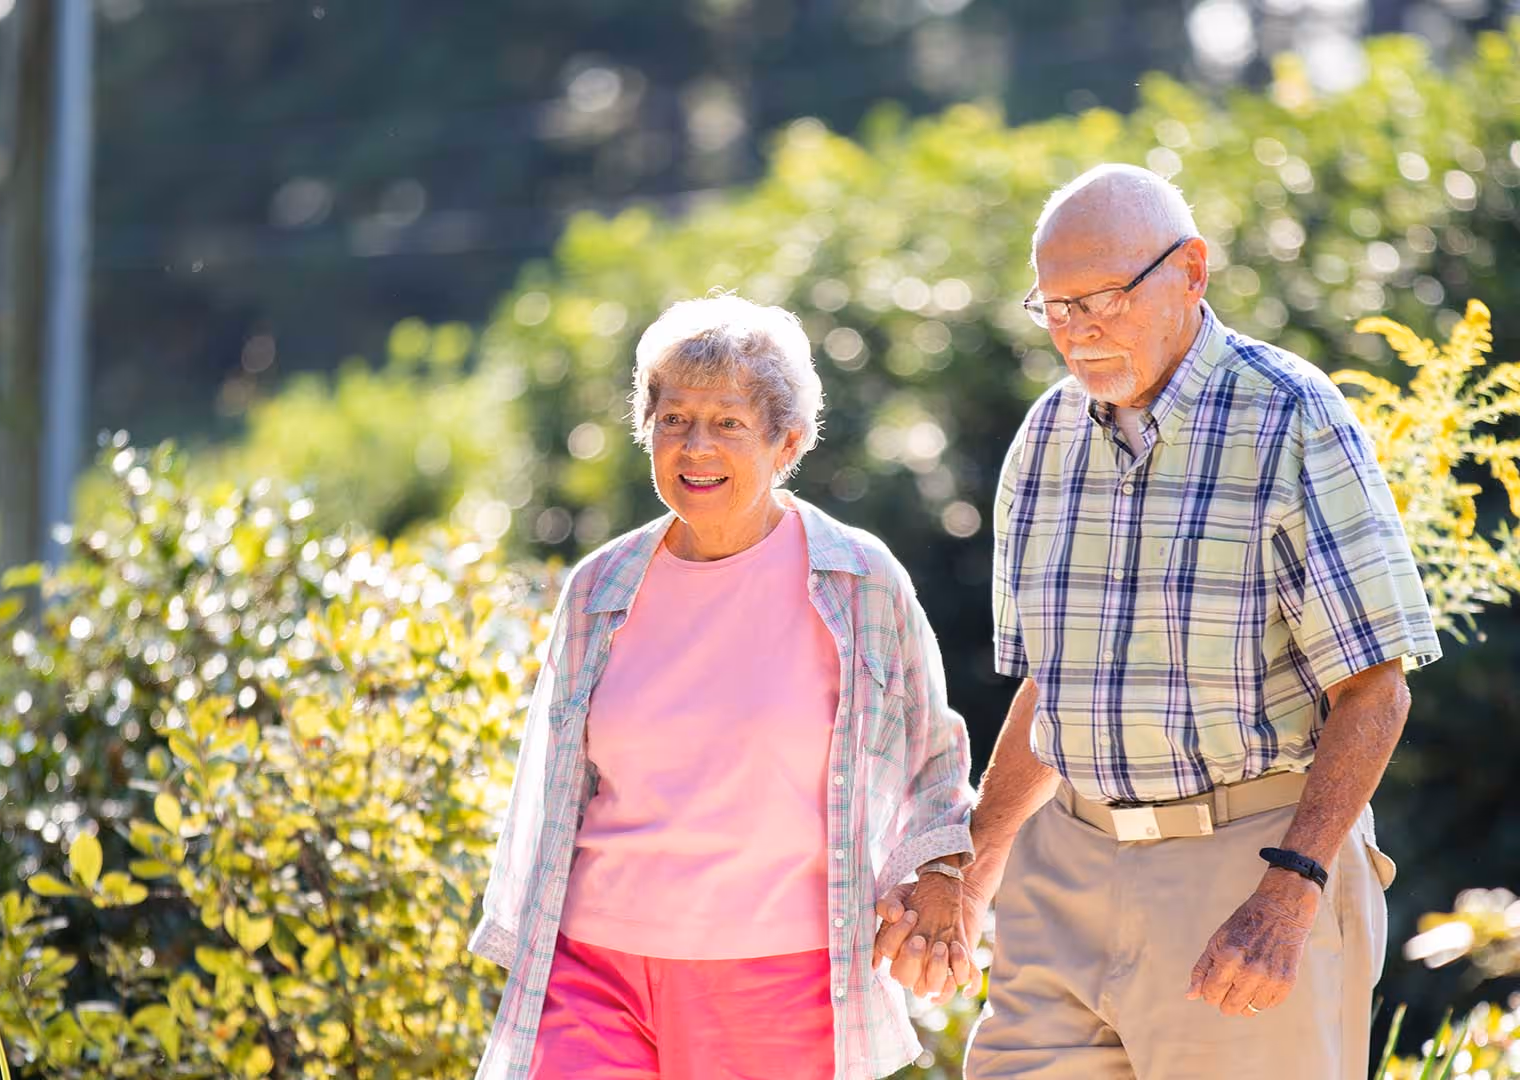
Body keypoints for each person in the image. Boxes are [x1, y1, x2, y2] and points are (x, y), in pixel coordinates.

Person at [882, 163, 1440, 1079]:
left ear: (1191, 271)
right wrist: (973, 869)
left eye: (1102, 298)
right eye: (1056, 308)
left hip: (1245, 867)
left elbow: (1375, 690)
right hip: (1065, 866)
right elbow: (1050, 690)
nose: (1078, 331)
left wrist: (1291, 888)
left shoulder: (1293, 419)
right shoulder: (1046, 438)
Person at [469, 294, 979, 1080]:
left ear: (788, 443)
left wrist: (942, 881)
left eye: (728, 423)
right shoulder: (601, 586)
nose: (695, 446)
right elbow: (556, 782)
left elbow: (932, 756)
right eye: (673, 420)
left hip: (776, 976)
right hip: (593, 966)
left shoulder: (857, 579)